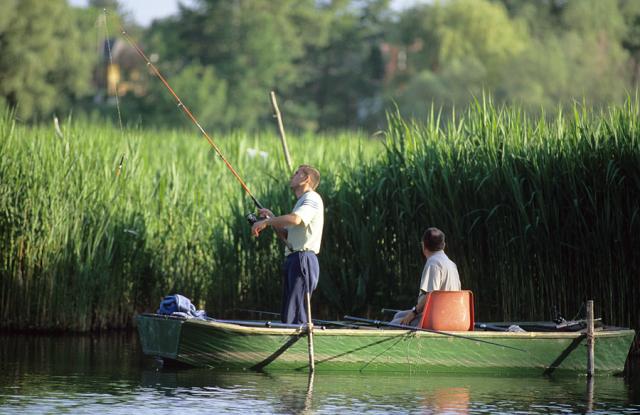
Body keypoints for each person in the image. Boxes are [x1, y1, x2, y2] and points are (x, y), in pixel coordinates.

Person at [251, 165, 324, 324]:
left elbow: (296, 219)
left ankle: (299, 346)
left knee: (296, 315)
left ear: (306, 179)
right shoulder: (301, 203)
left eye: (297, 173)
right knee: (289, 313)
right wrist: (272, 219)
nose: (293, 175)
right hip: (295, 259)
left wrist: (267, 221)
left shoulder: (311, 198)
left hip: (303, 259)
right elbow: (286, 236)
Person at [391, 227, 460, 327]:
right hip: (450, 314)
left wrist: (413, 313)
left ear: (423, 245)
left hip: (437, 319)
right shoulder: (451, 264)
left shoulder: (433, 263)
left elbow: (430, 296)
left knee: (393, 324)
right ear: (443, 245)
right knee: (398, 315)